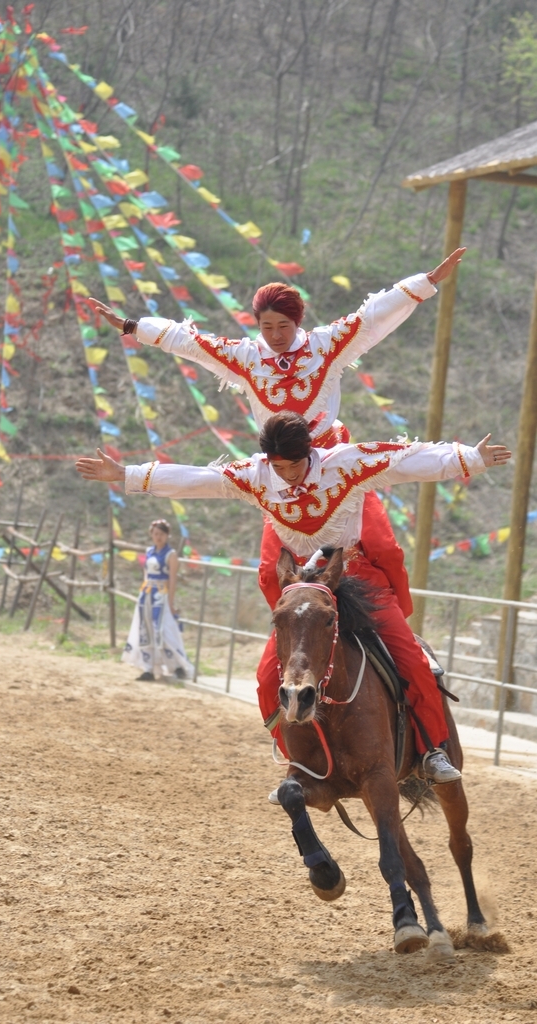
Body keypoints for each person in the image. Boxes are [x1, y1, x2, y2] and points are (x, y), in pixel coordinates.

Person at [76, 411, 511, 784]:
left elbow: (406, 460)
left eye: (295, 466)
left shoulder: (348, 463)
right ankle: (295, 755)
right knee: (268, 677)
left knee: (413, 662)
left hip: (354, 573)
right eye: (278, 467)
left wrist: (470, 458)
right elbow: (199, 478)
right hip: (304, 585)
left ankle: (433, 749)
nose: (287, 475)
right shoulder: (257, 476)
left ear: (312, 454)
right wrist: (126, 475)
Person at [86, 248, 465, 622]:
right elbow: (193, 343)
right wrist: (133, 327)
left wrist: (425, 282)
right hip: (279, 470)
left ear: (298, 322)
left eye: (284, 326)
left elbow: (371, 319)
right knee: (269, 572)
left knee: (383, 548)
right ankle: (293, 635)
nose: (276, 335)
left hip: (333, 463)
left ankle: (398, 628)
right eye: (267, 327)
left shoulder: (325, 346)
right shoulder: (247, 357)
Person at [123, 518, 194, 683]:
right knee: (145, 630)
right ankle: (148, 668)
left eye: (161, 534)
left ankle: (178, 665)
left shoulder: (171, 554)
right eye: (155, 534)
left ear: (167, 535)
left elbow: (172, 579)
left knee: (165, 631)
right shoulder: (149, 551)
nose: (158, 537)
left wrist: (171, 601)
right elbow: (146, 573)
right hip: (147, 594)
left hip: (161, 596)